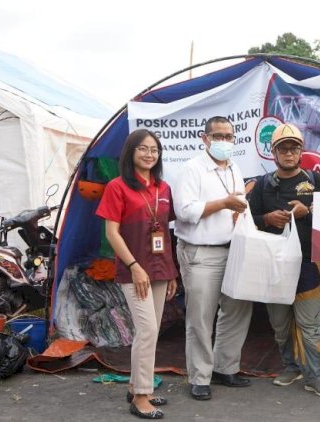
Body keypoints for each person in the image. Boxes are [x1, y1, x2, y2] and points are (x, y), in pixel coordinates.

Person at [247, 123, 320, 397]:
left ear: (301, 151)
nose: (288, 153)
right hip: (273, 265)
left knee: (310, 324)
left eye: (293, 148)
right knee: (280, 324)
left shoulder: (315, 180)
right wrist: (267, 219)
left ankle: (314, 376)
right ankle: (291, 366)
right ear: (273, 153)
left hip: (307, 264)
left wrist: (306, 211)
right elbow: (248, 222)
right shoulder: (262, 184)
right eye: (282, 148)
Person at [96, 129, 179, 419]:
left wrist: (171, 273)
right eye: (143, 148)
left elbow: (166, 235)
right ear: (131, 152)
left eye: (154, 149)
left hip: (159, 268)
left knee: (150, 333)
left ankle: (136, 385)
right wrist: (134, 266)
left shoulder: (163, 188)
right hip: (134, 271)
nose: (149, 154)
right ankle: (141, 397)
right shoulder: (117, 187)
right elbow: (112, 233)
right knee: (147, 331)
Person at [173, 116, 253, 401]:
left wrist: (236, 208)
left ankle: (225, 368)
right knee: (201, 318)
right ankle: (199, 376)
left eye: (229, 137)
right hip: (201, 253)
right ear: (204, 138)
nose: (225, 141)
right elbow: (184, 211)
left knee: (236, 310)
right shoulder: (191, 169)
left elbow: (239, 206)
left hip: (234, 250)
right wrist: (224, 203)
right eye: (218, 136)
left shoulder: (235, 168)